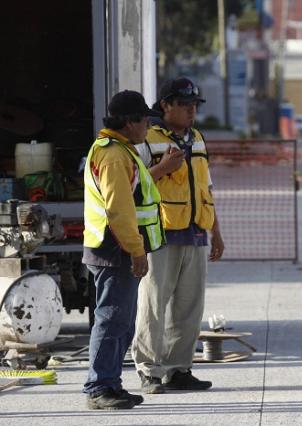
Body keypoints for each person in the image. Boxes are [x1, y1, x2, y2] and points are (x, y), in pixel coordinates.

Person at [82, 90, 176, 409]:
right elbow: (119, 210)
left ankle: (110, 383)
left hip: (117, 248)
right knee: (111, 319)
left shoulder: (122, 150)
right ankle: (99, 387)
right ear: (128, 122)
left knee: (121, 320)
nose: (148, 128)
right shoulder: (113, 155)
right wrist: (136, 250)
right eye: (144, 122)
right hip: (115, 249)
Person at [132, 77, 225, 394]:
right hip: (160, 234)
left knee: (189, 308)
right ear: (165, 106)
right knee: (153, 305)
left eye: (194, 106)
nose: (190, 112)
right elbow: (135, 184)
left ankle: (178, 369)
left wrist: (217, 232)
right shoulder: (148, 139)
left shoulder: (197, 139)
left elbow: (206, 187)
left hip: (196, 233)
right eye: (184, 105)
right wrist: (164, 167)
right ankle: (149, 370)